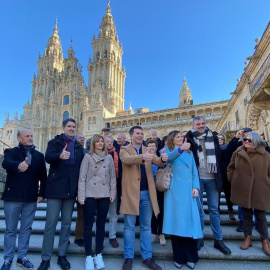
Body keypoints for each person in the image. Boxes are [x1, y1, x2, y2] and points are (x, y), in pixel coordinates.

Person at [37, 118, 84, 270]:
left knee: (66, 225)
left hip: (70, 191)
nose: (71, 129)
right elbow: (47, 157)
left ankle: (62, 255)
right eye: (69, 126)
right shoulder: (54, 143)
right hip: (55, 190)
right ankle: (46, 258)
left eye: (73, 127)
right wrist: (59, 156)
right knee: (50, 225)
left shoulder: (77, 147)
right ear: (63, 127)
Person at [120, 126, 168, 270]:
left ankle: (147, 257)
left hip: (147, 192)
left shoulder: (148, 149)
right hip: (131, 193)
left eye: (142, 133)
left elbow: (157, 162)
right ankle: (128, 257)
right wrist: (142, 157)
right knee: (129, 226)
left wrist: (163, 158)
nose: (140, 135)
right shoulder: (124, 149)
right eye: (137, 133)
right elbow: (126, 160)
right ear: (131, 135)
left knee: (146, 226)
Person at [1, 129, 47, 270]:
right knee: (10, 229)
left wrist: (42, 193)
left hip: (30, 198)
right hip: (12, 197)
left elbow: (43, 176)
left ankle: (22, 257)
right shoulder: (11, 152)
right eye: (27, 136)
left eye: (32, 136)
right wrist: (18, 165)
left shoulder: (39, 156)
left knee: (26, 228)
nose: (30, 138)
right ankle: (7, 259)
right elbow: (6, 163)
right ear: (19, 138)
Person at [185, 116, 231, 255]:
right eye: (198, 124)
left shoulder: (213, 137)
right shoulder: (189, 138)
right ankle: (199, 237)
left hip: (212, 178)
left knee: (214, 210)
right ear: (193, 125)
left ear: (206, 124)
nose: (200, 125)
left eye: (203, 123)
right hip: (197, 178)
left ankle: (218, 239)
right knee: (198, 210)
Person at [163, 130, 202, 269]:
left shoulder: (190, 153)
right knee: (177, 225)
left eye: (181, 136)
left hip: (189, 191)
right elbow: (168, 158)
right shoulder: (166, 150)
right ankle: (178, 257)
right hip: (175, 192)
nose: (181, 138)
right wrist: (180, 149)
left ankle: (191, 256)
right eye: (178, 137)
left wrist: (196, 187)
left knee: (190, 224)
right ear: (172, 139)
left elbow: (194, 172)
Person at [227, 132, 270, 256]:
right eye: (244, 139)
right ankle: (247, 238)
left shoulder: (266, 155)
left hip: (260, 189)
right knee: (246, 216)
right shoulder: (238, 153)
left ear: (256, 141)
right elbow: (231, 167)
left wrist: (267, 182)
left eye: (249, 140)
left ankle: (265, 241)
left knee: (261, 217)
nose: (245, 141)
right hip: (243, 188)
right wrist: (233, 177)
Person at [78, 134, 116, 270]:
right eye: (98, 141)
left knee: (101, 226)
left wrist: (112, 193)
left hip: (105, 194)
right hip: (89, 194)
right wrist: (81, 196)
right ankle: (89, 255)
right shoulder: (87, 157)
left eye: (102, 141)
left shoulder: (109, 157)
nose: (100, 143)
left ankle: (98, 253)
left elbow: (112, 177)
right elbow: (82, 177)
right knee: (88, 226)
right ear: (93, 144)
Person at [226, 127, 252, 232]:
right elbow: (228, 151)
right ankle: (243, 223)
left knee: (256, 203)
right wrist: (236, 137)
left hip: (256, 178)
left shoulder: (258, 143)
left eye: (247, 134)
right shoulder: (238, 144)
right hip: (241, 178)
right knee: (242, 203)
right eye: (243, 134)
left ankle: (255, 223)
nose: (245, 136)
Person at [146, 139, 166, 246]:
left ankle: (161, 233)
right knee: (152, 211)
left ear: (156, 147)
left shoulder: (160, 158)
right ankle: (154, 232)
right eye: (149, 145)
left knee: (161, 210)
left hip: (159, 187)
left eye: (153, 145)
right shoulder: (144, 158)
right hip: (149, 187)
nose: (151, 147)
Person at [104, 135, 120, 248]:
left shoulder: (117, 154)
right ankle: (99, 236)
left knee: (113, 214)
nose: (110, 143)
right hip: (100, 188)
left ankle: (112, 236)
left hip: (114, 188)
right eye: (107, 141)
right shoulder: (97, 154)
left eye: (111, 141)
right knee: (100, 214)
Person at [74, 133, 88, 247]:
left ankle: (80, 236)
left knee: (82, 214)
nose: (82, 140)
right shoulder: (73, 151)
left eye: (83, 138)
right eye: (80, 138)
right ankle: (78, 236)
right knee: (81, 214)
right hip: (77, 186)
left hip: (86, 186)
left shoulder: (85, 152)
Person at [217, 134, 235, 221]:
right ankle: (217, 210)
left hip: (226, 174)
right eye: (218, 138)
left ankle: (230, 210)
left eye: (221, 138)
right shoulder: (214, 149)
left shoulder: (228, 148)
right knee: (217, 194)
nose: (220, 139)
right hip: (217, 174)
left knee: (229, 194)